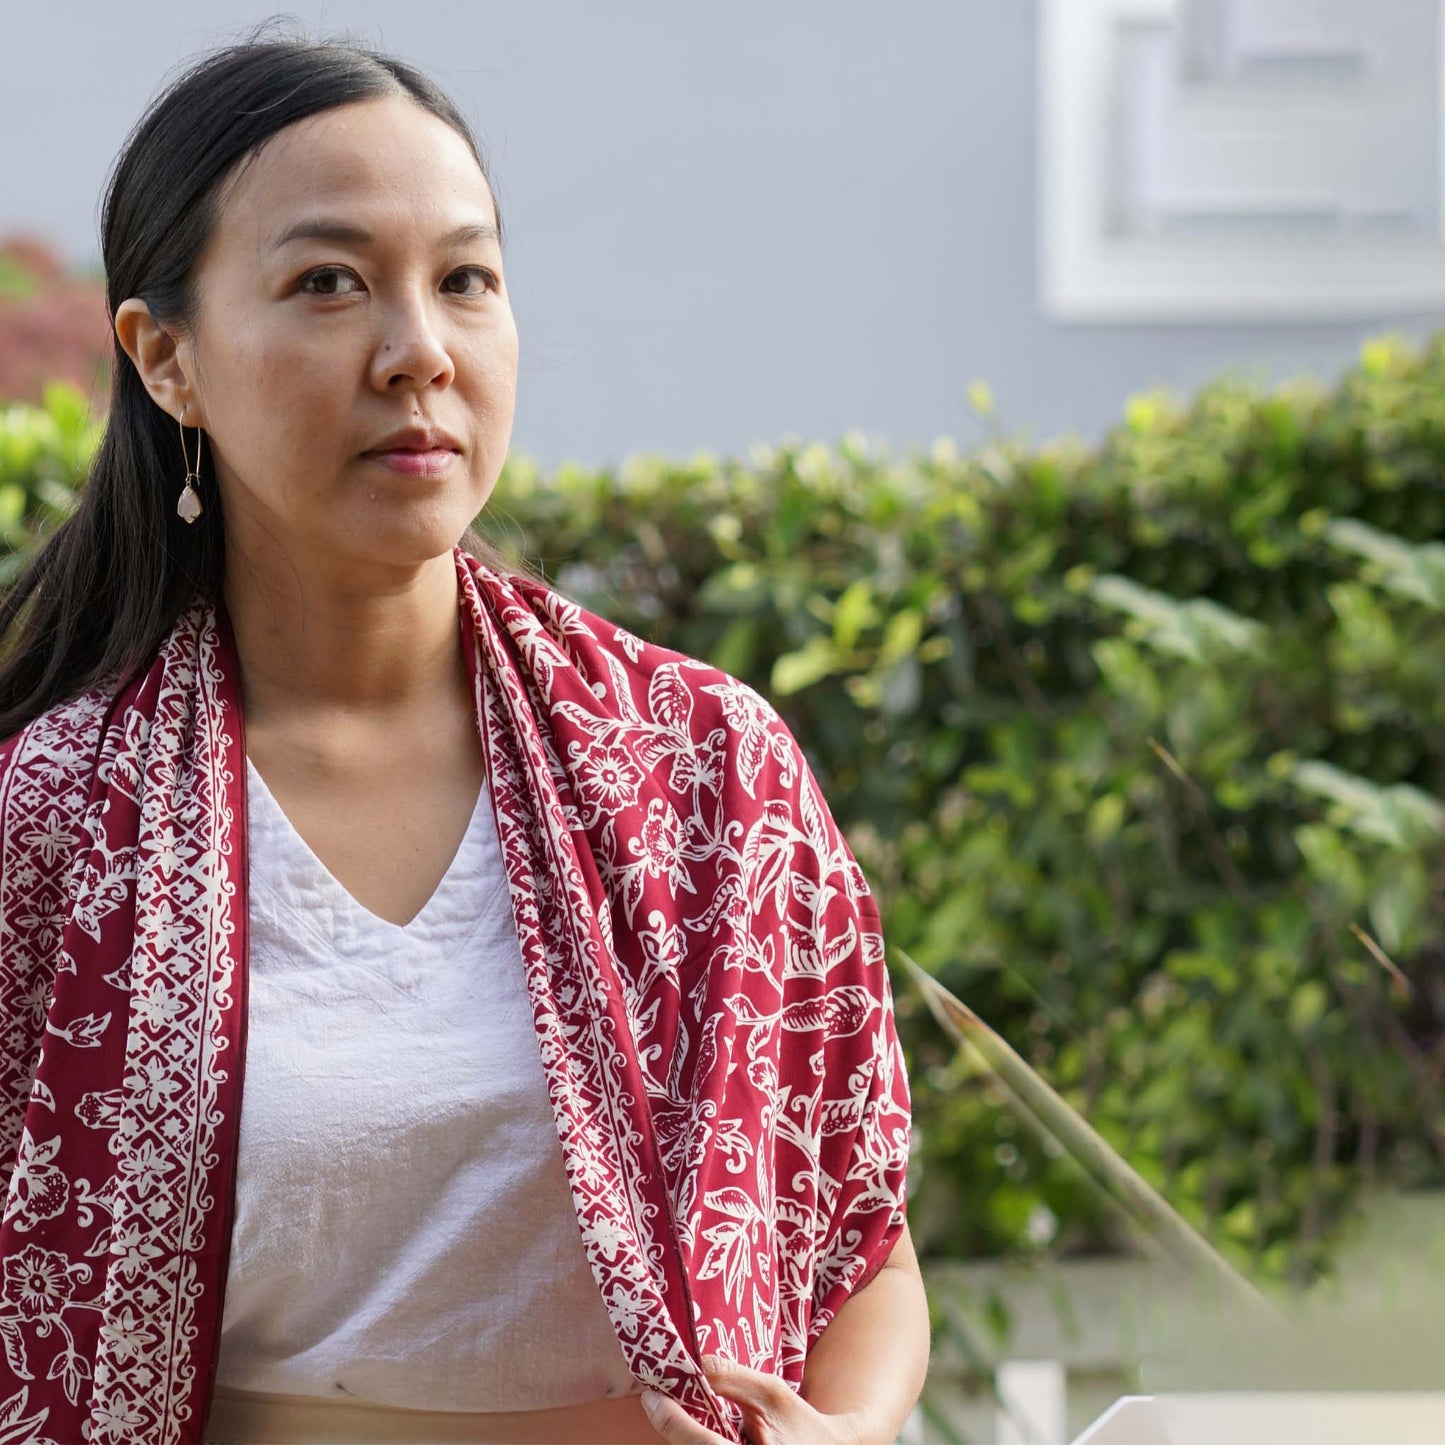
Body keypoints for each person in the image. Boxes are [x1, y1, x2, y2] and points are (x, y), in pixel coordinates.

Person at [0, 29, 928, 1445]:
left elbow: (859, 1243)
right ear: (166, 358)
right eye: (328, 283)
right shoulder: (55, 819)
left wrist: (843, 1436)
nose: (417, 351)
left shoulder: (703, 771)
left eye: (465, 280)